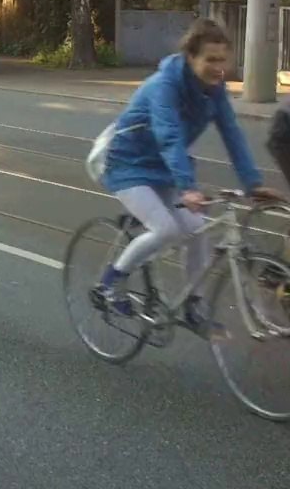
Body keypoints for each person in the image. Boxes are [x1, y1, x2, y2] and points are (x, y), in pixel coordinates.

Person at [96, 18, 280, 329]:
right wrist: (187, 187)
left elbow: (232, 133)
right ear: (190, 57)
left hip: (163, 169)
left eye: (223, 59)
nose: (218, 67)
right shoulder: (164, 85)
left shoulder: (214, 89)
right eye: (210, 59)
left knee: (197, 228)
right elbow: (168, 134)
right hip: (128, 164)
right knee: (166, 229)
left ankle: (193, 306)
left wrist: (253, 184)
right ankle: (109, 284)